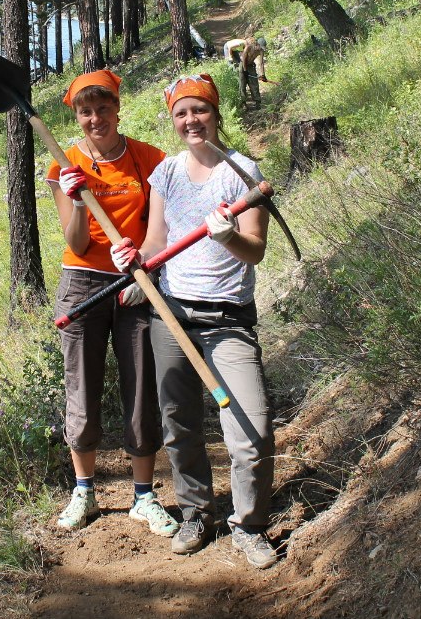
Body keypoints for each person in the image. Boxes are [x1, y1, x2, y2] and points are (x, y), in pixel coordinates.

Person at [116, 72, 279, 569]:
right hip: (171, 313)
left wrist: (227, 236)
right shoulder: (165, 172)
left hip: (227, 318)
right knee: (179, 425)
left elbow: (255, 252)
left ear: (215, 113)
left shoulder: (244, 173)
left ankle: (249, 526)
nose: (192, 120)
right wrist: (135, 262)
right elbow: (156, 243)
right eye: (182, 113)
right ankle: (196, 514)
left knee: (253, 431)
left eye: (200, 110)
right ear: (174, 120)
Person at [45, 69, 178, 536]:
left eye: (103, 108)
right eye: (86, 111)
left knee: (142, 385)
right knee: (81, 386)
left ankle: (145, 496)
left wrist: (150, 263)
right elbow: (77, 245)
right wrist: (78, 199)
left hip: (136, 282)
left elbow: (169, 222)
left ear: (118, 109)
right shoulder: (66, 166)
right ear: (77, 117)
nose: (95, 118)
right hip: (83, 284)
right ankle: (84, 491)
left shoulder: (149, 160)